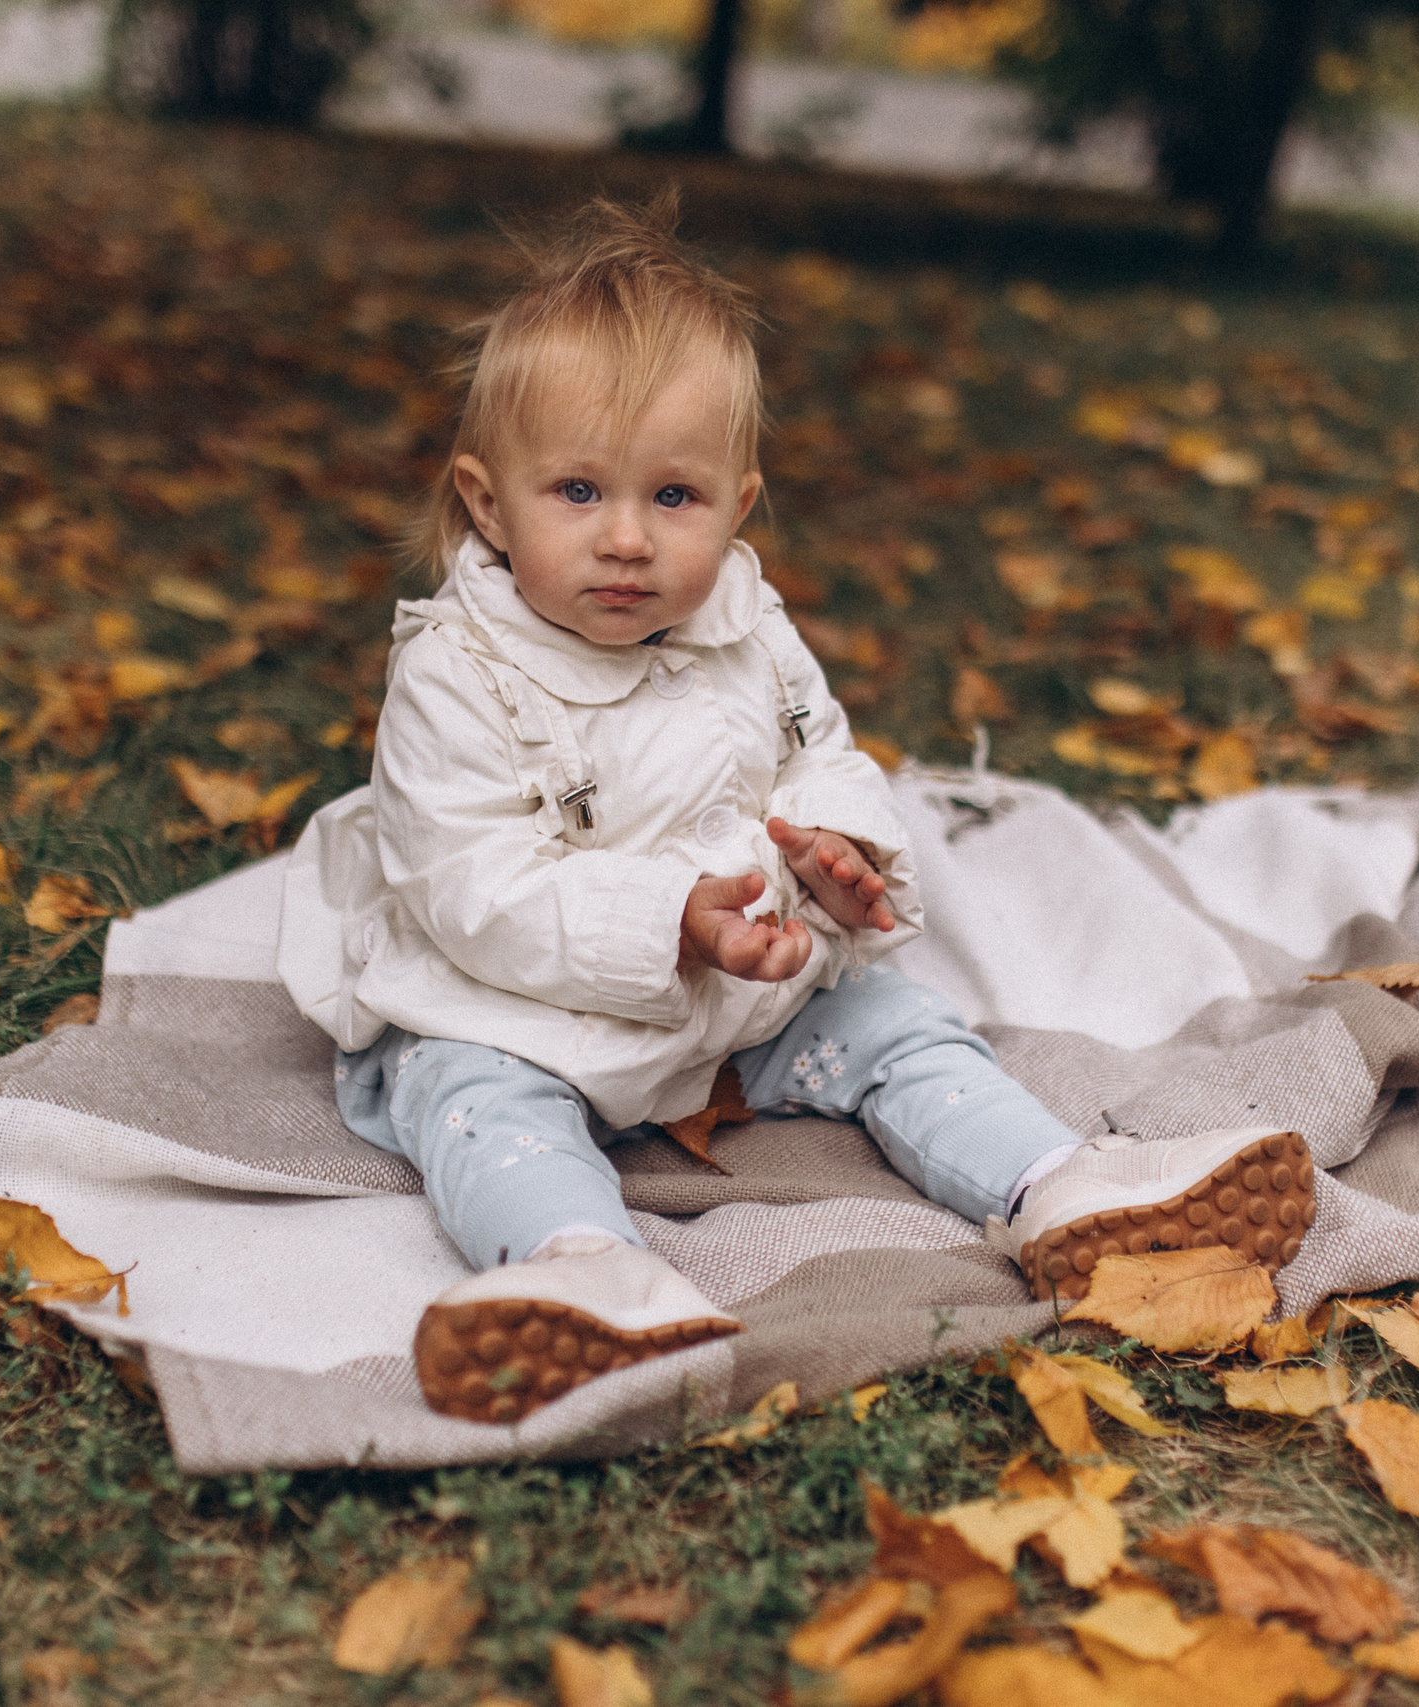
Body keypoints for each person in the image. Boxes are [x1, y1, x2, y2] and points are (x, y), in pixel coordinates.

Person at [277, 197, 1314, 1425]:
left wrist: (837, 853)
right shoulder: (457, 671)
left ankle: (1060, 1188)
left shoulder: (748, 628)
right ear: (489, 504)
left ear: (737, 503)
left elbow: (817, 754)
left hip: (734, 1004)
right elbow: (471, 888)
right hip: (509, 1007)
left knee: (898, 1025)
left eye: (674, 496)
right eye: (577, 491)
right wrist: (672, 920)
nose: (626, 539)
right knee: (471, 1104)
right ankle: (581, 1274)